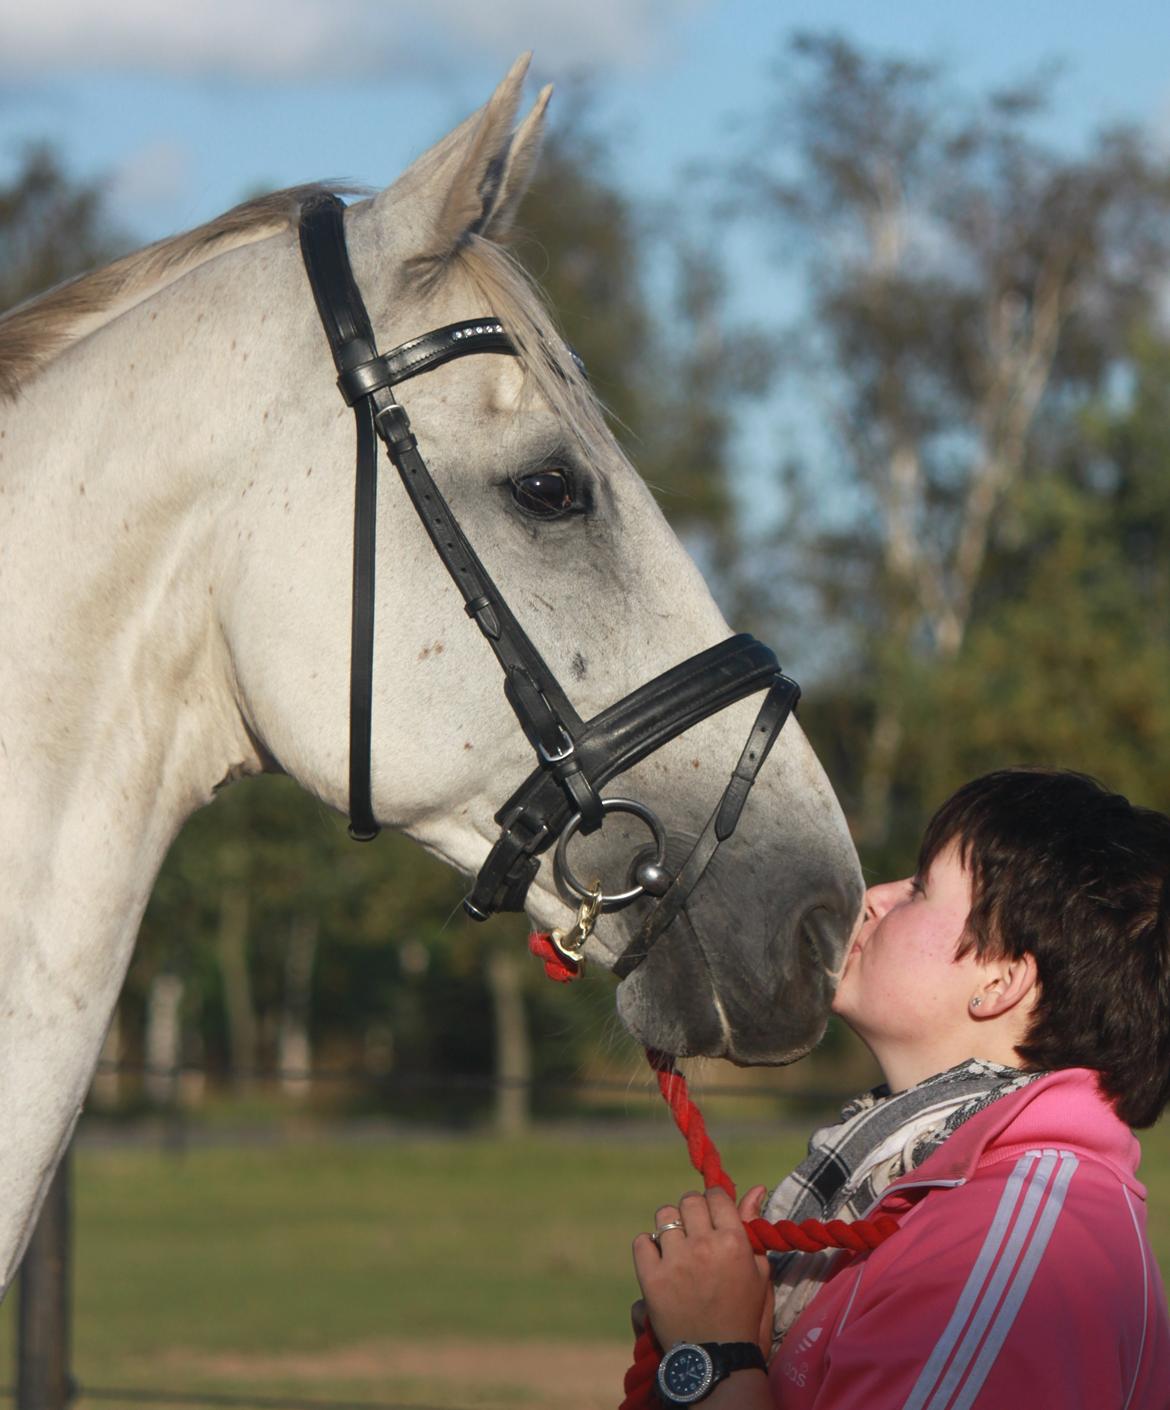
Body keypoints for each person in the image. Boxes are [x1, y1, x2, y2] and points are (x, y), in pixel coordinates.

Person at [633, 768, 1170, 1409]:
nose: (874, 897)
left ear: (1000, 982)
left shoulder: (1016, 1254)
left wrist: (713, 1353)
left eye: (918, 889)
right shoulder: (927, 1193)